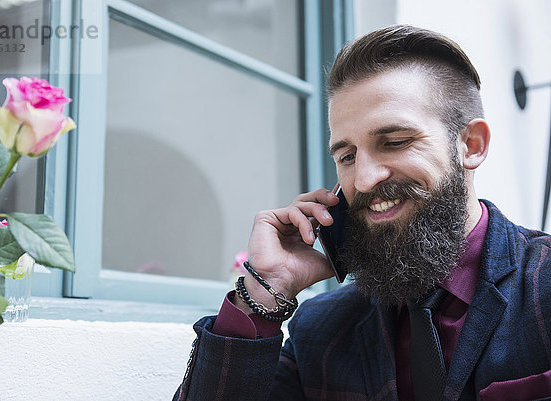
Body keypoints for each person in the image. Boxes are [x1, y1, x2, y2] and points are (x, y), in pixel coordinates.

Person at [173, 25, 551, 401]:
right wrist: (264, 291)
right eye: (347, 157)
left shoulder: (543, 285)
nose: (365, 180)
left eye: (394, 142)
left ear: (471, 145)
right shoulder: (320, 330)